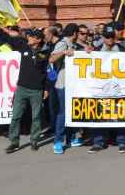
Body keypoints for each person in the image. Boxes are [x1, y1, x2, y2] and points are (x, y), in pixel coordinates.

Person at [88, 23, 125, 154]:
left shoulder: (124, 50)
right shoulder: (94, 51)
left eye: (111, 37)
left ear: (116, 36)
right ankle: (98, 142)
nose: (109, 40)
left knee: (121, 114)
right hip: (101, 89)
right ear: (102, 37)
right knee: (99, 114)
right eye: (107, 37)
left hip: (119, 88)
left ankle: (122, 142)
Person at [49, 23, 83, 154]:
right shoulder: (63, 43)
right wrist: (64, 52)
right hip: (63, 84)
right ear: (74, 33)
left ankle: (72, 138)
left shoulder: (72, 44)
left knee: (72, 112)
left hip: (72, 84)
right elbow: (51, 59)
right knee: (63, 113)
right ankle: (58, 141)